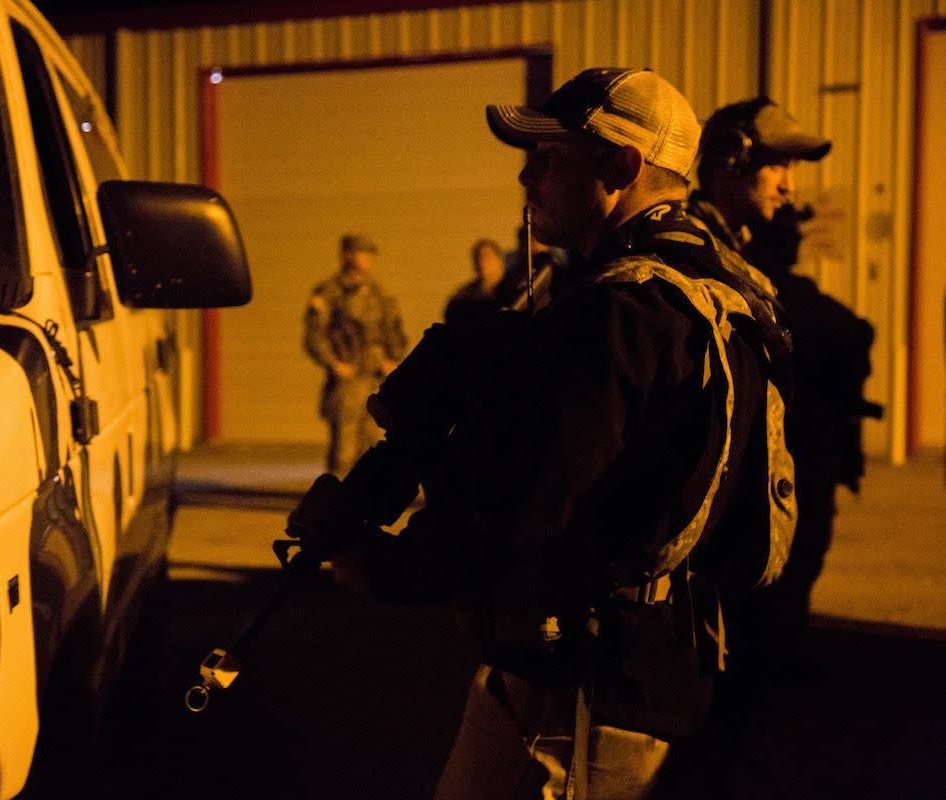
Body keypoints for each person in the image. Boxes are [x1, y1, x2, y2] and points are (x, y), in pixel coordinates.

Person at [288, 68, 795, 800]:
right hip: (646, 661)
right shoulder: (708, 288)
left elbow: (524, 507)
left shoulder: (621, 317)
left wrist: (381, 563)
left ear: (621, 168)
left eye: (551, 157)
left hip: (575, 694)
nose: (526, 174)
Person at [691, 98, 878, 657]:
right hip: (728, 531)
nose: (789, 186)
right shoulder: (702, 253)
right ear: (730, 161)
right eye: (776, 165)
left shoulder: (745, 249)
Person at [303, 233, 407, 477]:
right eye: (362, 253)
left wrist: (395, 360)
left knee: (372, 449)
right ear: (348, 255)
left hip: (375, 381)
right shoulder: (330, 293)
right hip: (347, 385)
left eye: (369, 254)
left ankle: (365, 505)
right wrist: (333, 362)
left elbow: (394, 331)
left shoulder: (379, 295)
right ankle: (334, 505)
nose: (368, 259)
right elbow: (313, 335)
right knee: (343, 452)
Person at [444, 238, 505, 328]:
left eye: (487, 256)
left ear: (500, 259)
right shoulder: (462, 297)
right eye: (477, 258)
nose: (482, 262)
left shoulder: (515, 289)